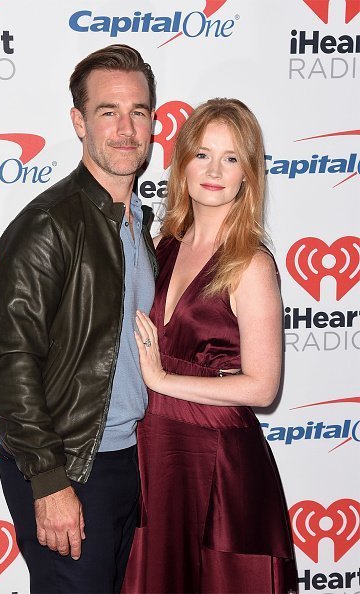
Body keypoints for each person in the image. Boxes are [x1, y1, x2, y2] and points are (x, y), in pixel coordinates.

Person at [0, 44, 158, 594]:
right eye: (109, 111)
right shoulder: (49, 224)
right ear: (79, 121)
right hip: (70, 465)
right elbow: (11, 360)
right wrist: (49, 480)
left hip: (127, 459)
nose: (126, 128)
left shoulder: (136, 222)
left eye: (139, 111)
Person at [122, 98, 298, 594]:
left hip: (218, 460)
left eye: (231, 157)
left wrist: (162, 379)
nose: (214, 170)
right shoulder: (164, 244)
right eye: (202, 154)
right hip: (153, 449)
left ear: (249, 173)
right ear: (181, 164)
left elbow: (262, 388)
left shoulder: (251, 263)